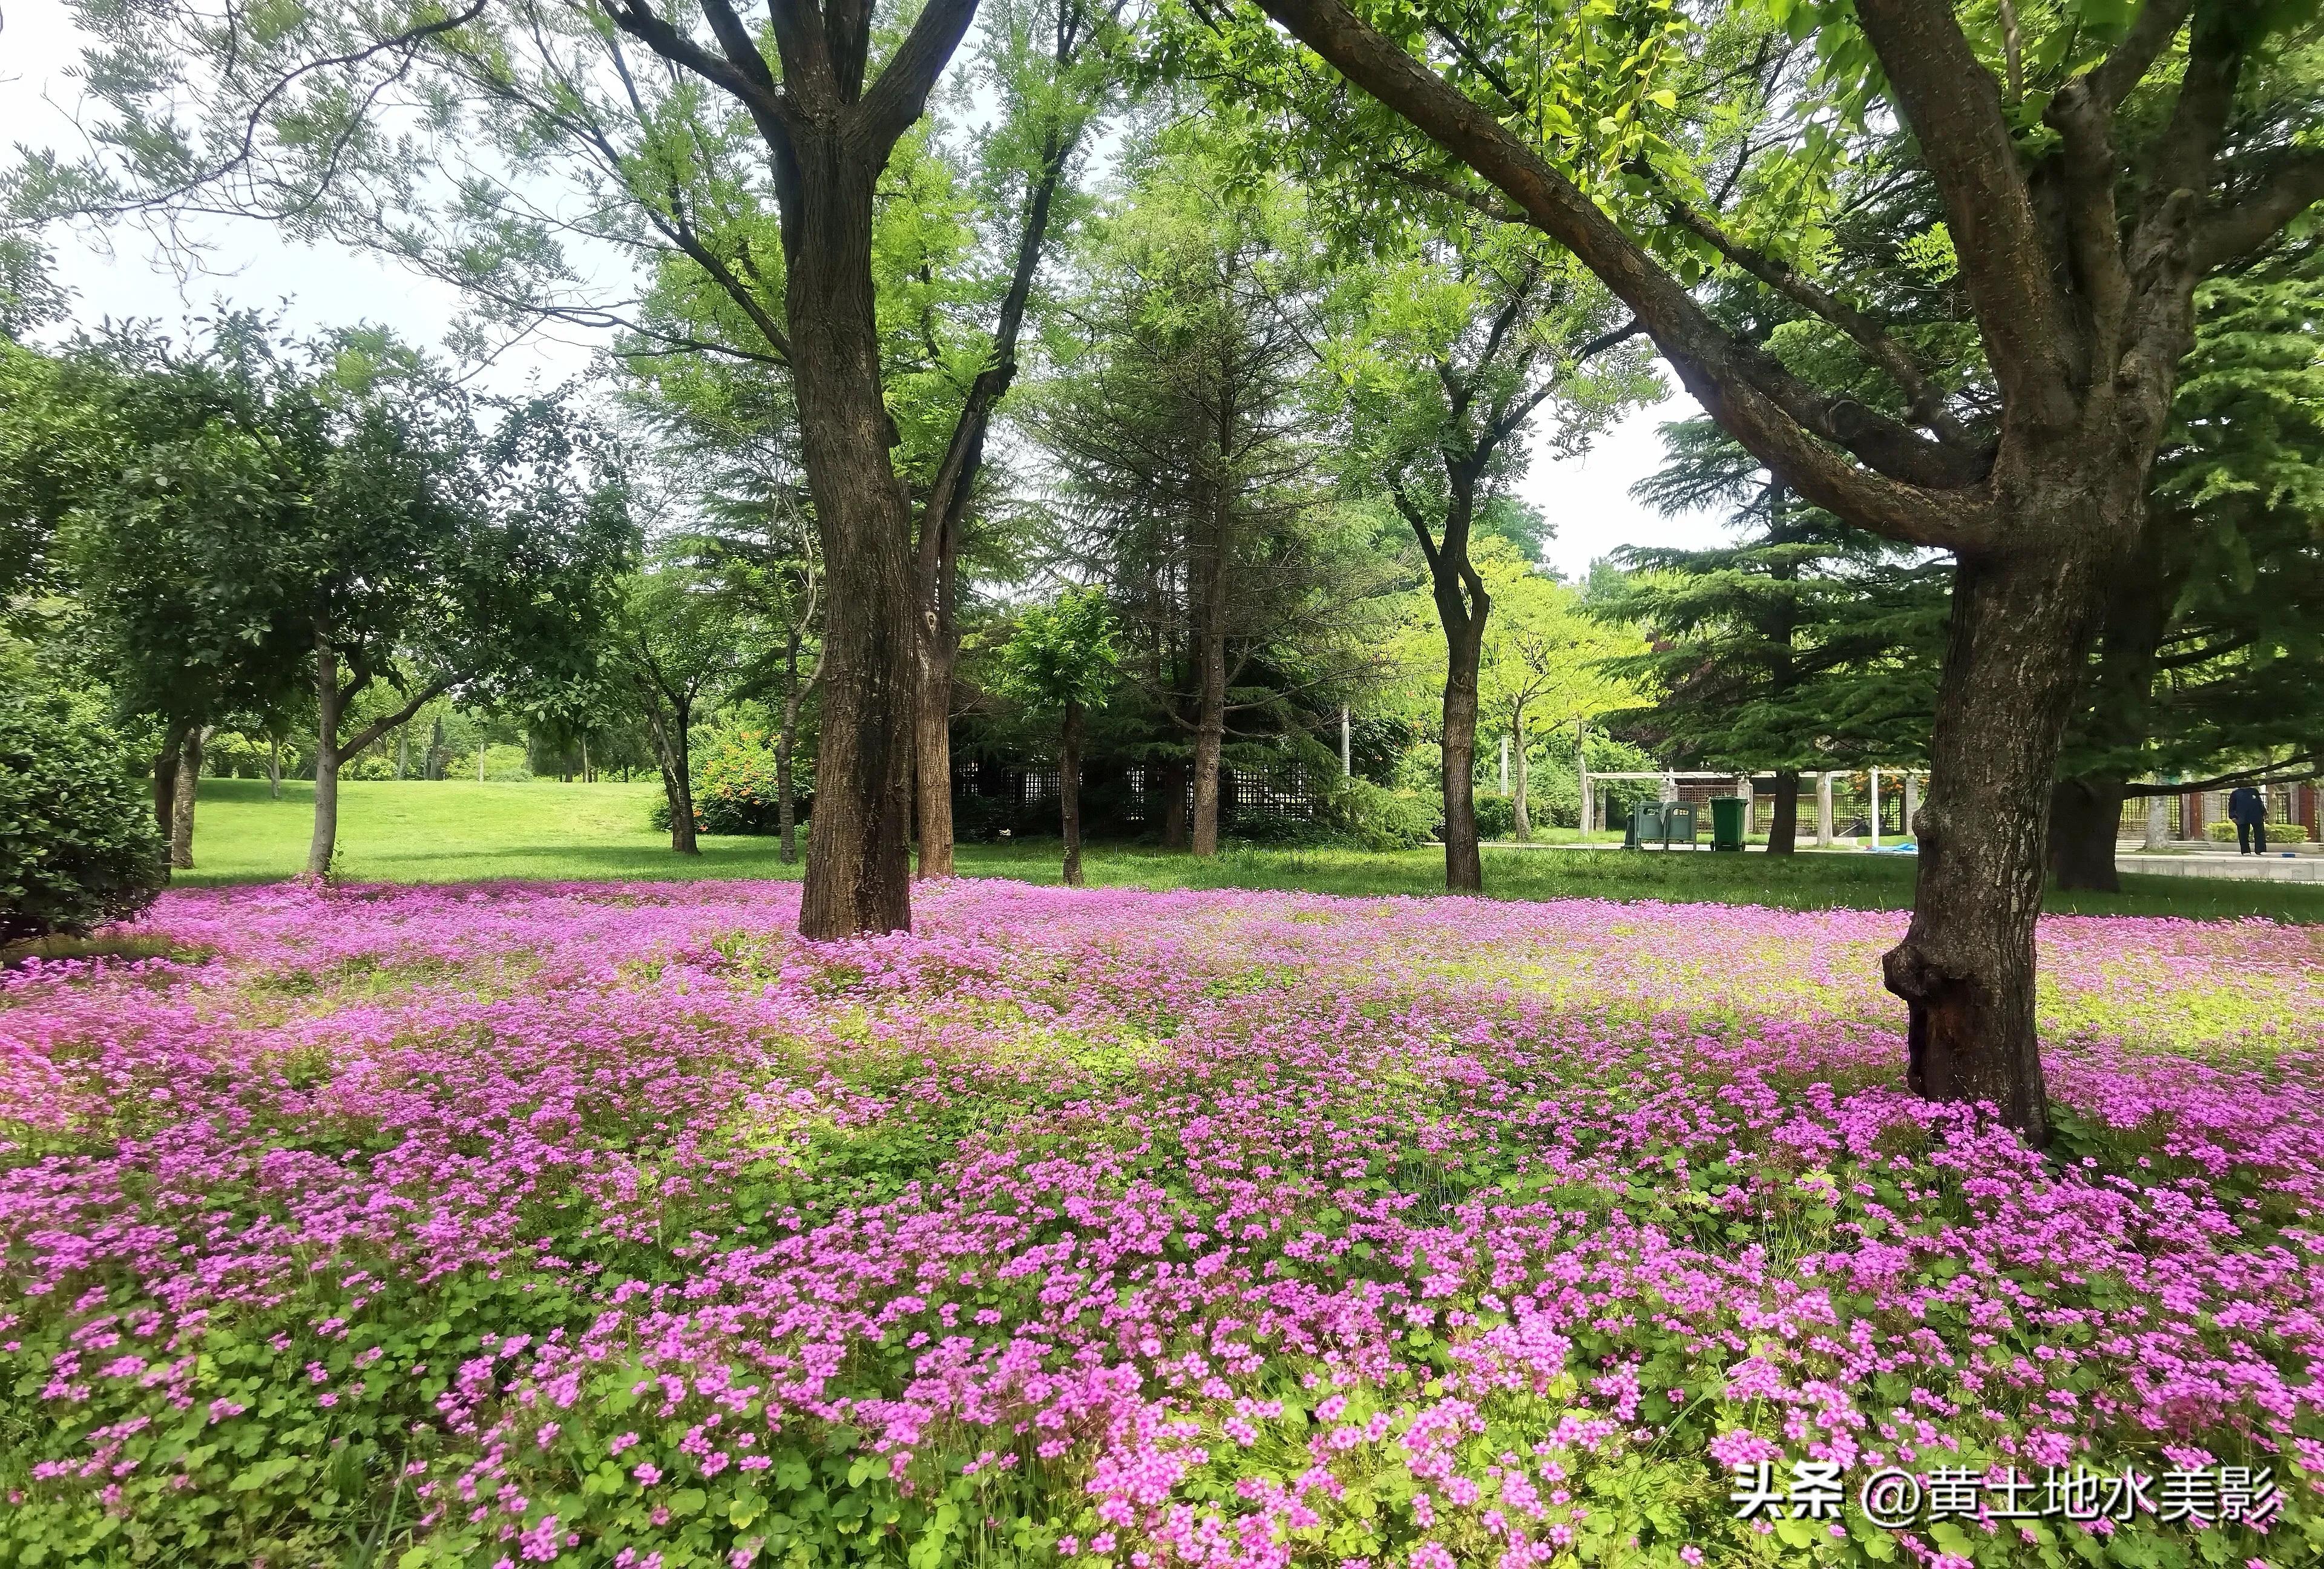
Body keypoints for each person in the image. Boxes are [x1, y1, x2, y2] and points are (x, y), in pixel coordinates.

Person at [2227, 784, 2268, 855]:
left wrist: (2264, 812)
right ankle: (2245, 850)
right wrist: (2233, 816)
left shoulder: (2254, 791)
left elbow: (2259, 803)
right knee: (2243, 833)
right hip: (2241, 815)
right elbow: (2232, 806)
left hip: (2256, 814)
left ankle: (2261, 850)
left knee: (2260, 833)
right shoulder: (2236, 793)